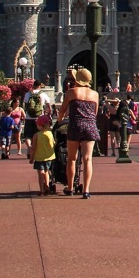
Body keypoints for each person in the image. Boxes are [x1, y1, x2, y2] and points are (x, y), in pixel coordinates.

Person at [57, 67, 100, 199]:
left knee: (72, 158)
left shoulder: (71, 92)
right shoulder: (95, 94)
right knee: (87, 159)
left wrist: (59, 121)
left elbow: (62, 110)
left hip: (75, 125)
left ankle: (70, 188)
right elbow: (95, 113)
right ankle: (86, 190)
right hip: (90, 126)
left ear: (77, 80)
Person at [28, 114, 56, 196]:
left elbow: (33, 148)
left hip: (39, 157)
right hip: (48, 157)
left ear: (39, 125)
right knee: (46, 171)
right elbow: (53, 144)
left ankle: (42, 190)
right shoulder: (50, 133)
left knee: (40, 173)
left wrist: (31, 158)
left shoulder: (36, 135)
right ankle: (47, 186)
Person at [21, 80, 50, 156]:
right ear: (39, 86)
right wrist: (48, 114)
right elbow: (48, 106)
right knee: (39, 134)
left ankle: (29, 148)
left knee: (28, 135)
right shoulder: (43, 94)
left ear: (33, 85)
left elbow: (25, 105)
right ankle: (37, 151)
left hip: (29, 118)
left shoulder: (28, 94)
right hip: (39, 118)